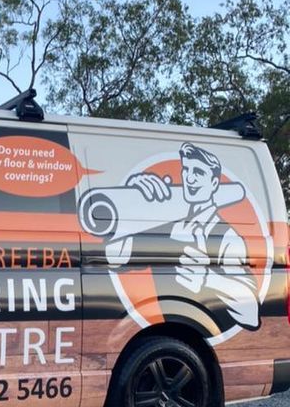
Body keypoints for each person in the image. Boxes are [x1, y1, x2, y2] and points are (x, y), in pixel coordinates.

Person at [106, 142, 259, 331]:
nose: (189, 178)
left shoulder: (226, 236)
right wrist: (130, 201)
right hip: (159, 331)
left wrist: (209, 279)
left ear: (214, 183)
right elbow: (111, 256)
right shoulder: (168, 224)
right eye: (186, 170)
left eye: (198, 172)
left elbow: (251, 313)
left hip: (195, 336)